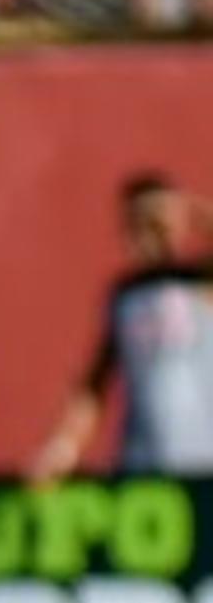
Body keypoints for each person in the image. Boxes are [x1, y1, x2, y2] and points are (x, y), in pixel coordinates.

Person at [32, 175, 213, 481]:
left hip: (203, 463)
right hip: (142, 463)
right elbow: (93, 385)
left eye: (152, 222)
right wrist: (62, 447)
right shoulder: (125, 295)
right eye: (135, 223)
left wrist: (189, 210)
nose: (146, 233)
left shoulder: (198, 284)